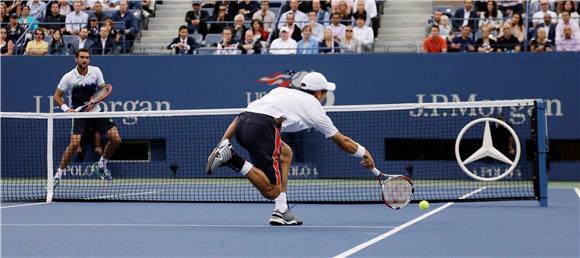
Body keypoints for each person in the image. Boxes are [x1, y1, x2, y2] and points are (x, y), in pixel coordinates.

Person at [206, 72, 376, 225]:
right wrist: (364, 152)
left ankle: (281, 211)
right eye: (326, 92)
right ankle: (233, 159)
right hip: (262, 128)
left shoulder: (282, 91)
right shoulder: (314, 108)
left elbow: (239, 118)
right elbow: (343, 142)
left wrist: (221, 144)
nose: (325, 96)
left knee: (286, 153)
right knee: (272, 191)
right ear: (319, 93)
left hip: (242, 125)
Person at [53, 48, 122, 187]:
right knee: (74, 144)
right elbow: (57, 96)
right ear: (76, 59)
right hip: (80, 115)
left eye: (87, 58)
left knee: (116, 138)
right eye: (82, 57)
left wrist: (95, 102)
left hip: (96, 111)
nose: (85, 60)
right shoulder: (68, 77)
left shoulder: (96, 71)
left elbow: (104, 90)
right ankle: (58, 175)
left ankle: (101, 165)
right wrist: (67, 109)